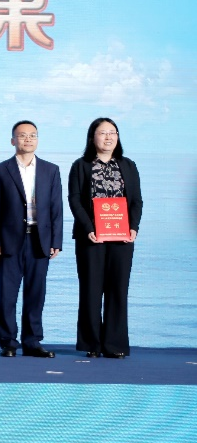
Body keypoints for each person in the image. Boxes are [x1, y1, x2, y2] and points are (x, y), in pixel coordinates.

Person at [0, 121, 63, 358]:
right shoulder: (0, 170)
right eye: (22, 135)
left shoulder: (51, 170)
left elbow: (56, 208)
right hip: (9, 241)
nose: (28, 139)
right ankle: (8, 342)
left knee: (36, 294)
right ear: (13, 140)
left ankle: (32, 341)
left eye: (32, 135)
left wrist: (56, 240)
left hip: (40, 240)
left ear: (37, 140)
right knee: (7, 295)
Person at [68, 117, 142, 358]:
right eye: (103, 133)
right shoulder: (81, 165)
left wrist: (133, 227)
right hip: (91, 237)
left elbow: (136, 201)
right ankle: (92, 344)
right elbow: (75, 200)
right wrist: (88, 227)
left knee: (118, 290)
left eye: (113, 132)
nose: (108, 137)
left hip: (122, 238)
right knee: (91, 289)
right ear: (93, 138)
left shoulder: (128, 165)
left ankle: (114, 344)